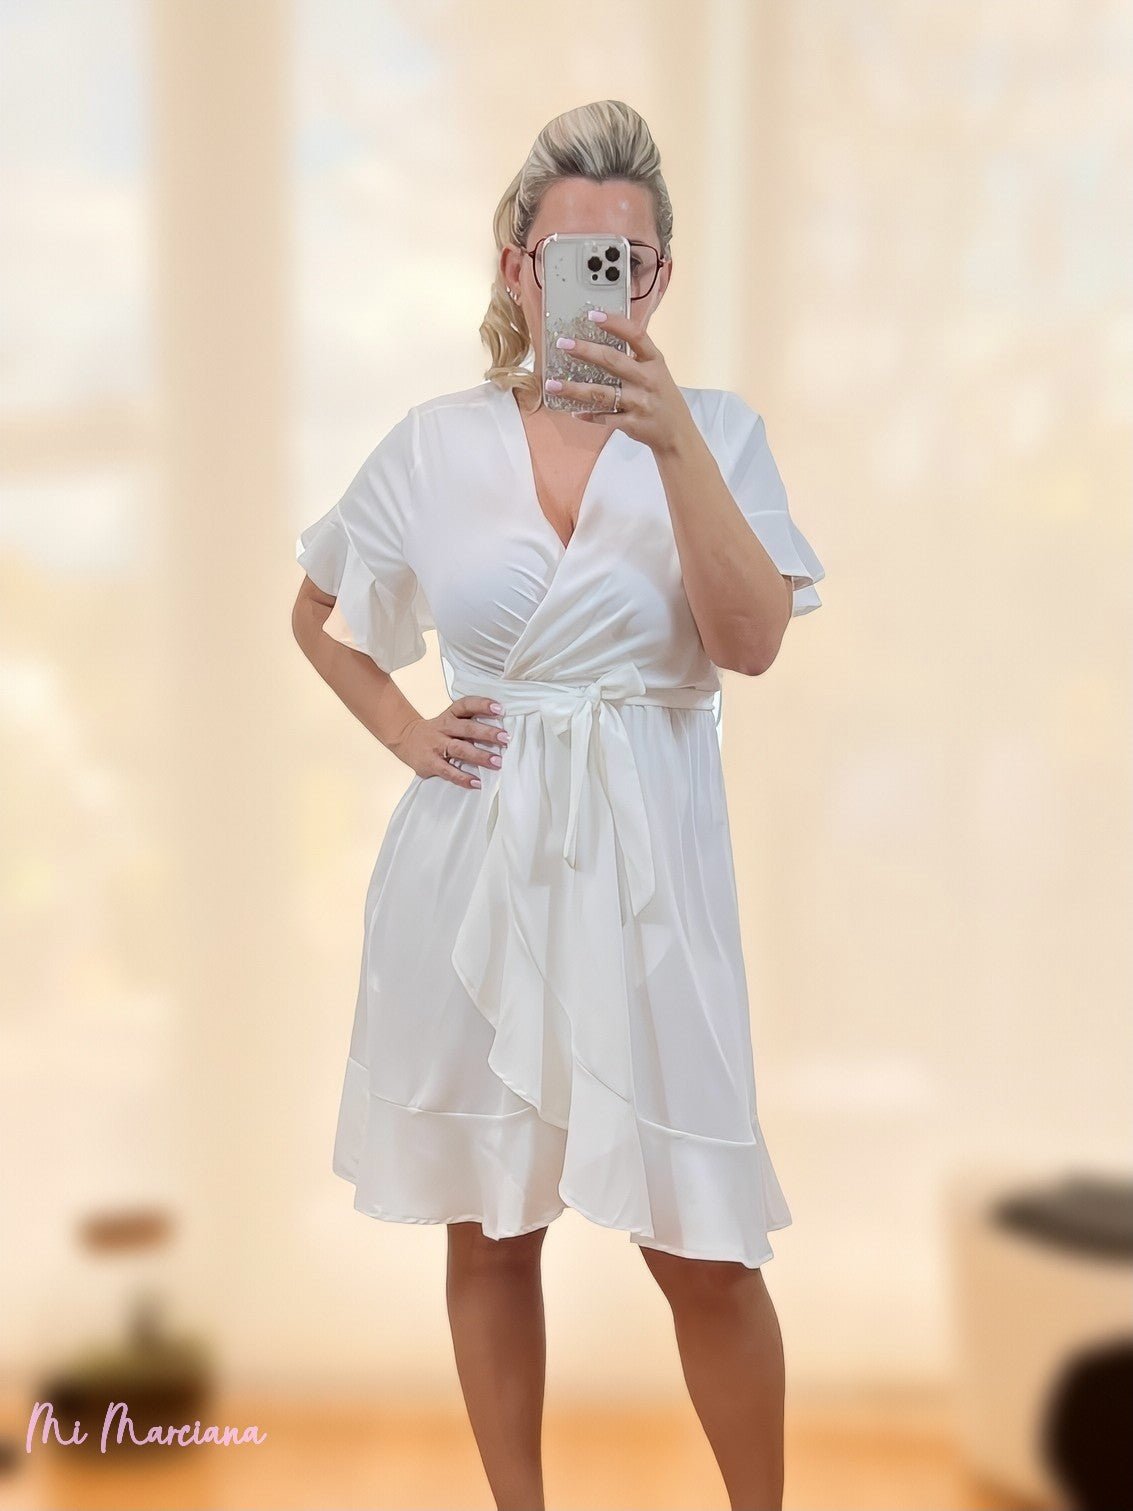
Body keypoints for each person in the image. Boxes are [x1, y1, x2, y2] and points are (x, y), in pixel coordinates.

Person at [292, 99, 825, 1511]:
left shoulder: (718, 434)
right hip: (476, 869)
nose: (601, 281)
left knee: (707, 1249)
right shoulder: (432, 445)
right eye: (571, 255)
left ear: (657, 279)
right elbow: (318, 613)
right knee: (491, 1227)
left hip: (652, 881)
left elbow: (750, 642)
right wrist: (407, 729)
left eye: (626, 261)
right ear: (517, 268)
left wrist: (674, 440)